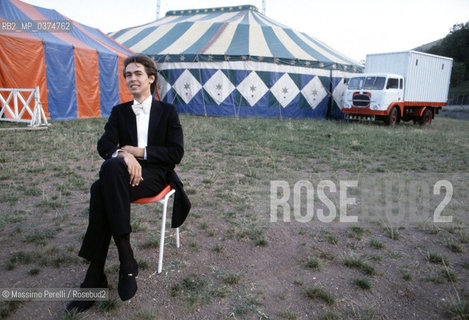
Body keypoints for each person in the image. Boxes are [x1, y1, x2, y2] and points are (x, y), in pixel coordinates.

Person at [66, 54, 190, 312]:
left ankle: (96, 277)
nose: (132, 79)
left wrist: (138, 152)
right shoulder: (119, 111)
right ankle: (124, 258)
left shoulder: (167, 112)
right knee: (108, 173)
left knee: (101, 187)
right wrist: (123, 155)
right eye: (128, 75)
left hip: (155, 176)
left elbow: (175, 153)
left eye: (137, 74)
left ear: (151, 78)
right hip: (121, 175)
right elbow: (104, 145)